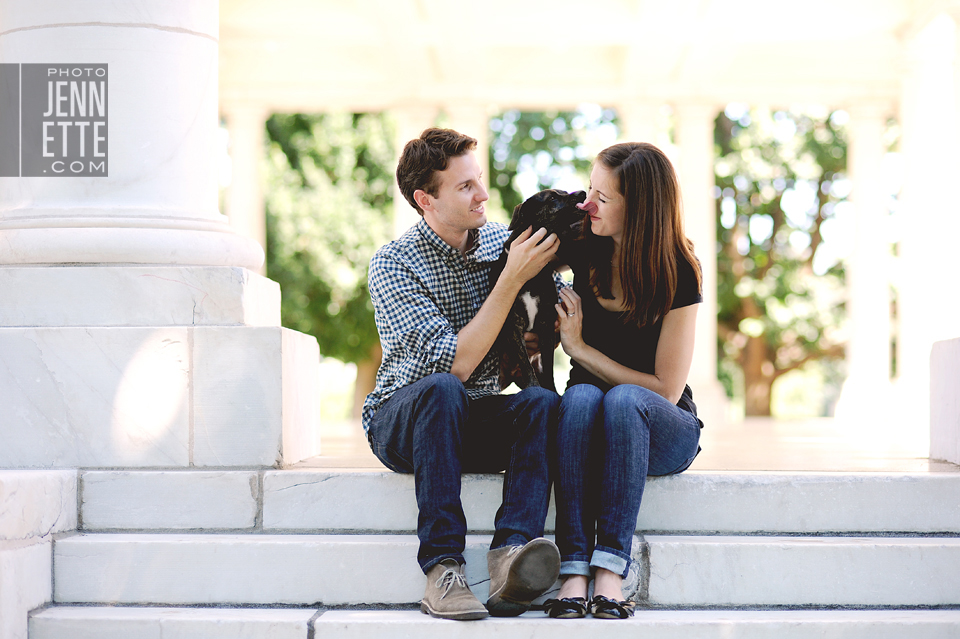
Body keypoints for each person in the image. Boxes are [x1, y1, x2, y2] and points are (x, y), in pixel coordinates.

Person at [363, 128, 563, 621]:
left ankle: (512, 556)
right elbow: (455, 364)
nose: (483, 195)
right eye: (464, 187)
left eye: (479, 180)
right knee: (443, 388)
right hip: (406, 422)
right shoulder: (393, 264)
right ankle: (442, 568)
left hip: (472, 417)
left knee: (541, 403)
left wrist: (545, 333)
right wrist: (511, 280)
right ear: (424, 200)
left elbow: (553, 306)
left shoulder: (501, 242)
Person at [544, 142, 704, 620]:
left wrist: (580, 350)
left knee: (623, 400)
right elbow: (513, 251)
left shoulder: (677, 269)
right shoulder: (581, 244)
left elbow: (666, 391)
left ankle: (611, 567)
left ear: (641, 210)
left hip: (660, 430)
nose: (587, 205)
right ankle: (574, 568)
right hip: (588, 423)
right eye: (589, 189)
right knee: (578, 400)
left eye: (603, 199)